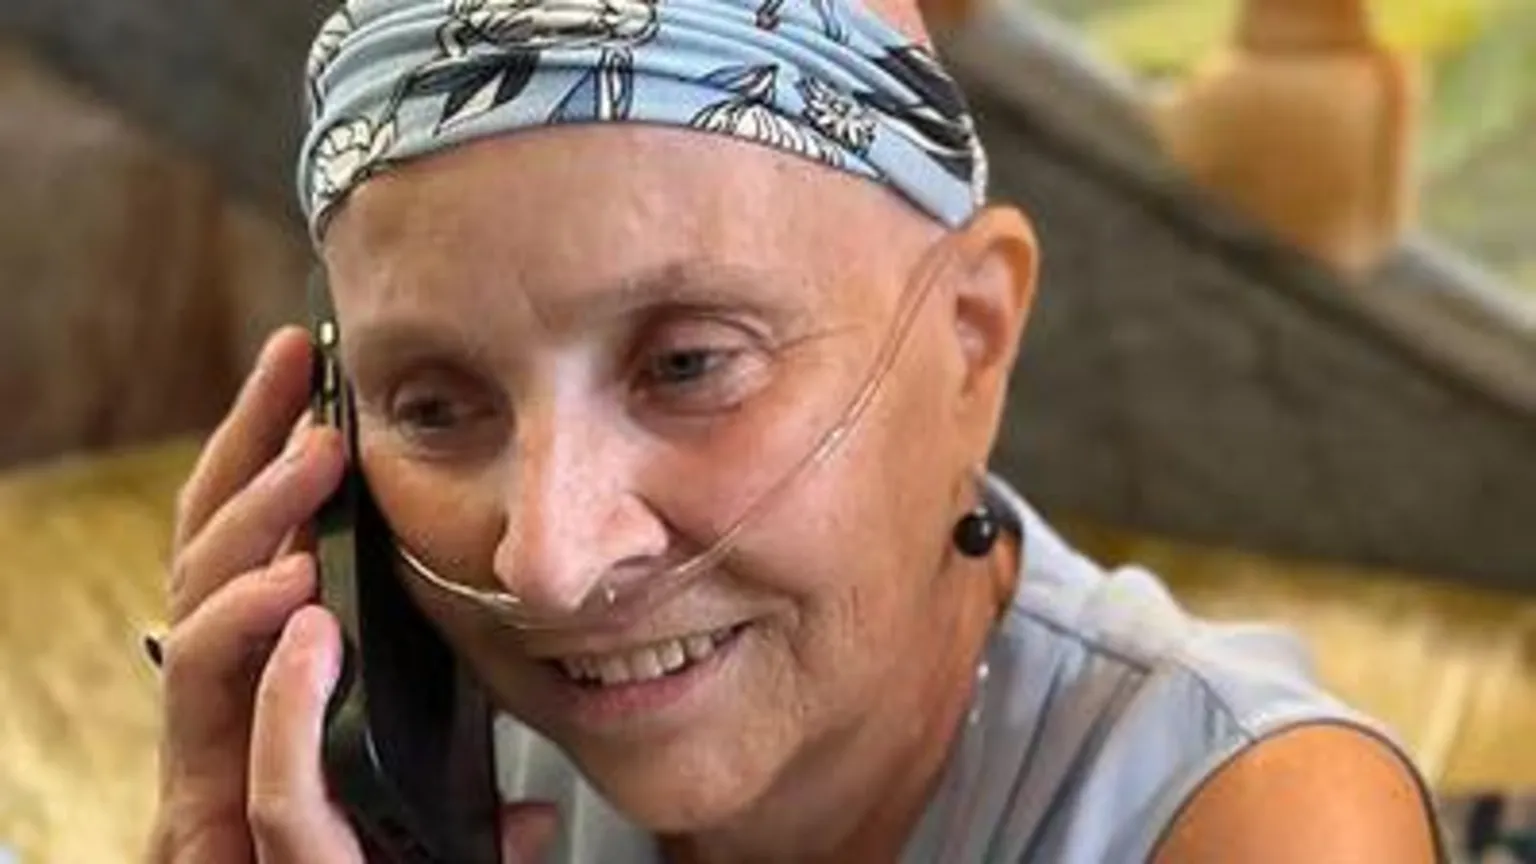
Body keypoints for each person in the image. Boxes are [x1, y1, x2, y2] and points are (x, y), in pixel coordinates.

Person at [146, 0, 1445, 860]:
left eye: (689, 364)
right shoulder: (417, 779)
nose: (547, 559)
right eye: (431, 407)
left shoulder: (1259, 823)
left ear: (971, 338)